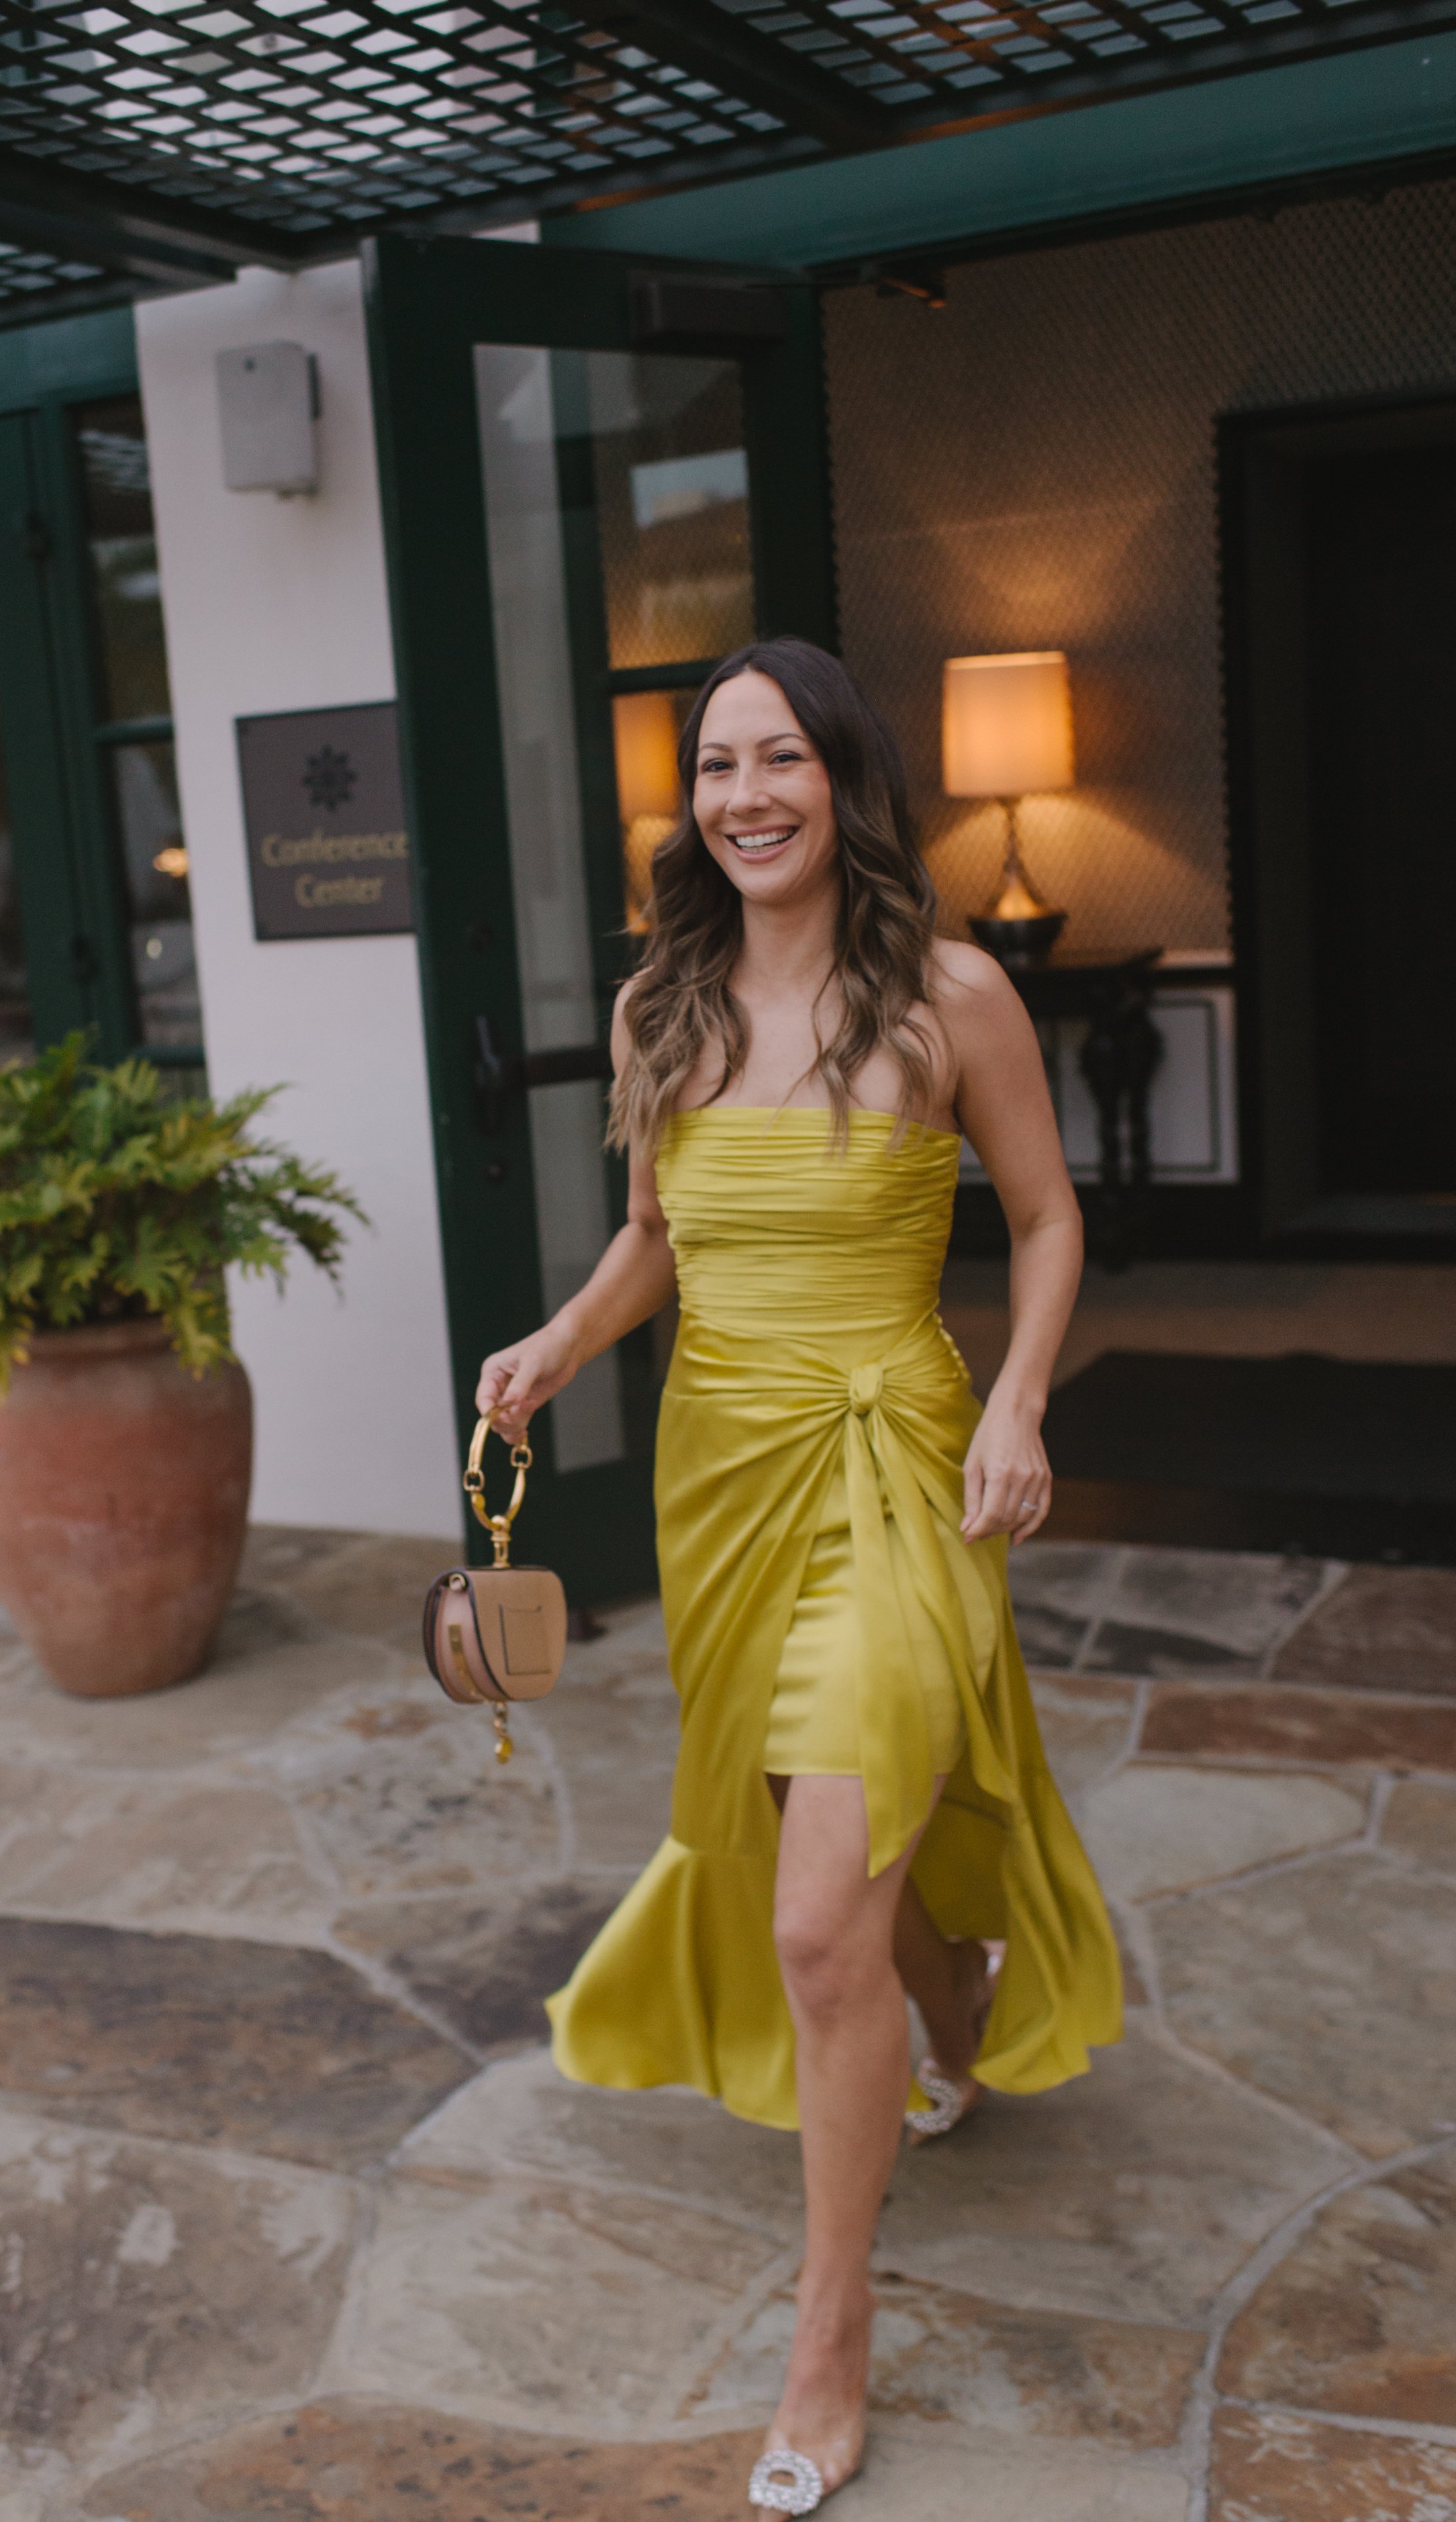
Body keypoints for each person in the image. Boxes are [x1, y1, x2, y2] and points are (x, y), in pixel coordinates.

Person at [475, 638, 1121, 2515]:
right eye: (714, 766)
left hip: (896, 1464)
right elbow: (655, 1237)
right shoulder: (661, 1008)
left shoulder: (948, 995)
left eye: (779, 760)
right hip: (725, 1480)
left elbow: (1047, 1215)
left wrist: (1019, 1401)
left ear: (842, 779)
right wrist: (562, 1338)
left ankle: (826, 2338)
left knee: (815, 1920)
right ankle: (950, 2005)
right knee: (830, 1846)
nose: (744, 796)